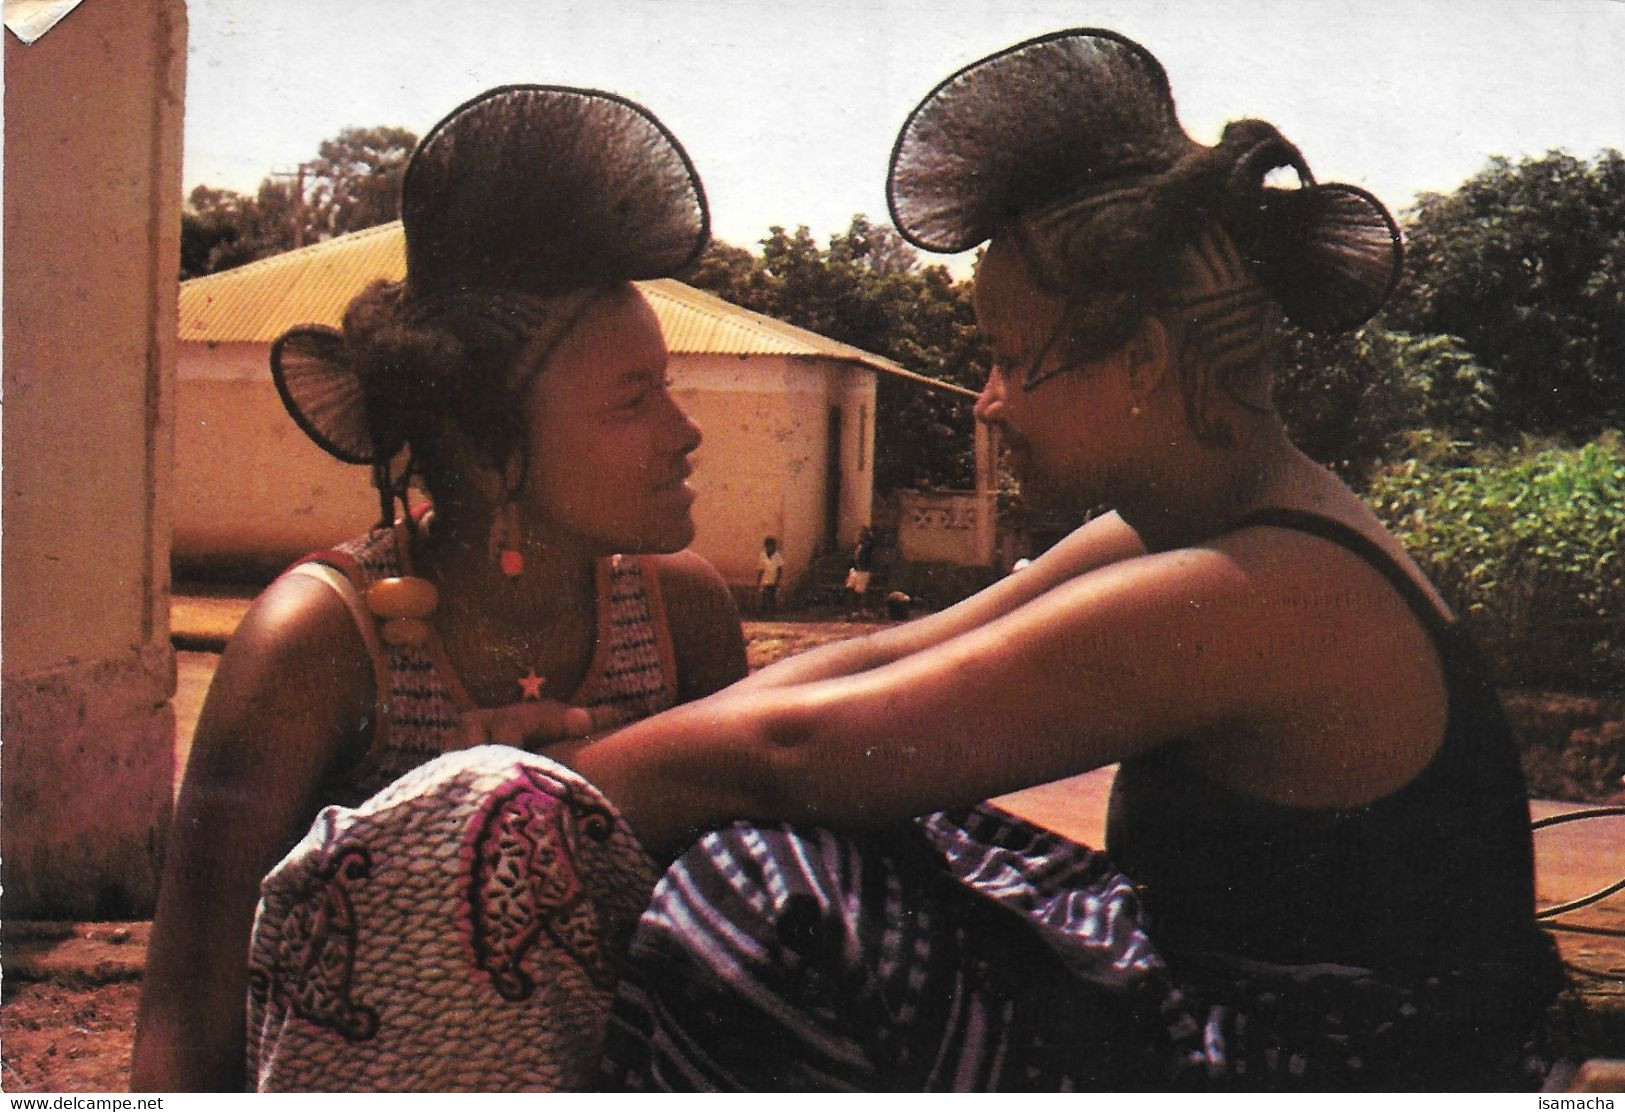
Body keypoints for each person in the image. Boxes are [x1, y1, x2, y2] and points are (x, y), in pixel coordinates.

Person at [484, 29, 1557, 1090]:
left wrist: (516, 807)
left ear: (1138, 360)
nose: (988, 401)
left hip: (1348, 1070)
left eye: (1005, 357)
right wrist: (596, 757)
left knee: (762, 883)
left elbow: (809, 745)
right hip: (1248, 1020)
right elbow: (887, 661)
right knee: (842, 808)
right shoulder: (1187, 522)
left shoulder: (1255, 591)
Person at [129, 85, 746, 1092]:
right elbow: (186, 1022)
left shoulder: (683, 616)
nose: (685, 433)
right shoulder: (317, 643)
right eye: (635, 399)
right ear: (487, 445)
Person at [845, 524, 875, 611]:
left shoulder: (868, 544)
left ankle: (860, 610)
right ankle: (850, 611)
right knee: (850, 589)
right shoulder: (859, 545)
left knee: (860, 592)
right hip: (855, 570)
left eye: (863, 533)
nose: (860, 534)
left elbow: (871, 544)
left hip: (863, 571)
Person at [756, 536, 784, 613]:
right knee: (764, 597)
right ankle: (763, 614)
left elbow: (780, 569)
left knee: (772, 597)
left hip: (773, 580)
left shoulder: (777, 556)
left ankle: (773, 613)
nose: (770, 547)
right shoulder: (762, 555)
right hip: (765, 580)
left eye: (771, 545)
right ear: (765, 546)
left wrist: (777, 580)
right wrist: (759, 580)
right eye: (768, 545)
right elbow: (761, 569)